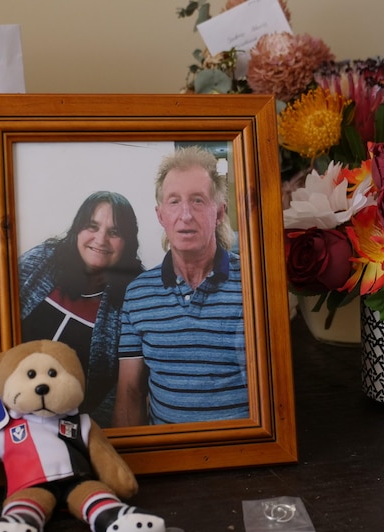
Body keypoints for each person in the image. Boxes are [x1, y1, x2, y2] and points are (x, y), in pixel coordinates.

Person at [112, 146, 248, 426]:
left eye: (198, 200)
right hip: (169, 458)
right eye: (174, 202)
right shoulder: (138, 294)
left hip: (247, 455)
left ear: (219, 213)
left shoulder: (253, 281)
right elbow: (130, 393)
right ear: (161, 215)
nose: (185, 215)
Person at [18, 191, 144, 426]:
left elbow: (121, 391)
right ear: (77, 229)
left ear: (127, 242)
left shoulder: (134, 296)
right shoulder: (40, 262)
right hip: (11, 410)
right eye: (92, 226)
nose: (101, 239)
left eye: (114, 232)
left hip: (77, 429)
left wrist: (83, 436)